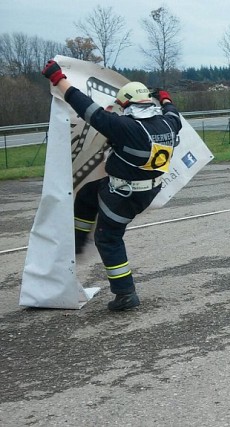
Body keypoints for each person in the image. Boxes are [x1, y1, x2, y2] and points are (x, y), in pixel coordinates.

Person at [41, 59, 182, 311]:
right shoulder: (168, 124)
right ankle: (77, 240)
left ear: (127, 104)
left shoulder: (124, 127)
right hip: (147, 188)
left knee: (108, 238)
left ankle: (125, 293)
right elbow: (172, 111)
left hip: (124, 195)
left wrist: (58, 78)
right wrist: (165, 98)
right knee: (87, 193)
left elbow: (85, 107)